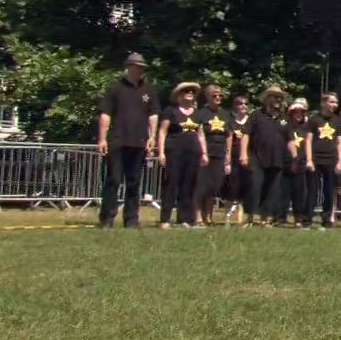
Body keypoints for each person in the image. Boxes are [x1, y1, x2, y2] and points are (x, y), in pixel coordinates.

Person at [96, 52, 157, 229]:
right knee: (114, 180)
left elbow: (153, 115)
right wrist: (102, 139)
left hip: (139, 142)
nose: (140, 70)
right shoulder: (115, 88)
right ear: (128, 67)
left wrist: (152, 137)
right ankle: (107, 218)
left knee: (134, 182)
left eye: (142, 68)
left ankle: (131, 219)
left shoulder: (149, 89)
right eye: (137, 67)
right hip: (118, 140)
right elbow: (105, 114)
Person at [156, 82, 207, 229]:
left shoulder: (197, 113)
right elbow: (162, 131)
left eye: (192, 91)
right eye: (186, 91)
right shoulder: (170, 111)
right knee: (171, 184)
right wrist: (161, 152)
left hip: (193, 153)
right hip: (174, 151)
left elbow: (200, 133)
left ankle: (184, 219)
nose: (190, 93)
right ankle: (165, 219)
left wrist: (204, 152)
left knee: (188, 186)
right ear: (179, 95)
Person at [245, 87, 293, 226]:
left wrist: (295, 158)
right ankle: (250, 217)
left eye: (280, 97)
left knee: (272, 190)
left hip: (277, 159)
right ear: (266, 99)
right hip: (257, 158)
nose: (278, 99)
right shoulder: (256, 115)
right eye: (274, 96)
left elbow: (290, 139)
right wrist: (243, 153)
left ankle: (265, 218)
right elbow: (246, 134)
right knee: (255, 186)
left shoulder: (284, 118)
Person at [300, 93, 341, 228]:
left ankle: (326, 221)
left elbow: (339, 143)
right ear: (323, 103)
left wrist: (340, 161)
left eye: (336, 103)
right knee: (312, 190)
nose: (334, 105)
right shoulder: (314, 120)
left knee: (328, 191)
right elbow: (307, 141)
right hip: (315, 158)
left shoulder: (338, 121)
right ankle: (307, 220)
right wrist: (309, 160)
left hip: (331, 159)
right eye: (331, 102)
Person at [193, 84, 237, 224]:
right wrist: (203, 152)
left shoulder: (226, 114)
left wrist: (228, 154)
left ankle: (209, 217)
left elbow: (229, 135)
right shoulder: (200, 114)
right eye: (214, 95)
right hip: (204, 154)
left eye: (220, 95)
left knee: (213, 186)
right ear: (207, 97)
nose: (218, 97)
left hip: (220, 153)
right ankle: (198, 217)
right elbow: (197, 133)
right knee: (201, 185)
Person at [284, 98, 312, 226]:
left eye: (301, 112)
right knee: (288, 191)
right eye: (296, 112)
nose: (299, 114)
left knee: (301, 192)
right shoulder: (286, 126)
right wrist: (294, 159)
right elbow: (288, 142)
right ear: (291, 113)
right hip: (288, 162)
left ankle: (300, 218)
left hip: (303, 162)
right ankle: (283, 217)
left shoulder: (306, 128)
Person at [227, 93, 253, 223]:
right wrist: (227, 159)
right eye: (240, 103)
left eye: (246, 104)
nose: (243, 106)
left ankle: (242, 217)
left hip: (249, 158)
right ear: (235, 106)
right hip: (233, 157)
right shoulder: (230, 121)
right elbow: (228, 140)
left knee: (246, 188)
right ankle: (228, 216)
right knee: (232, 188)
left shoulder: (251, 121)